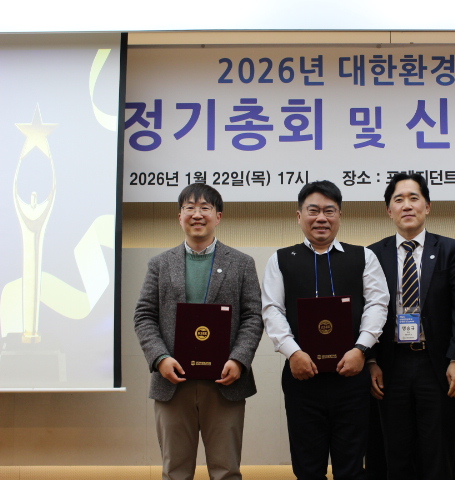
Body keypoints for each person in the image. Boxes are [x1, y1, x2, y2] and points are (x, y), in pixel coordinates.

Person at [262, 180, 389, 480]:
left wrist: (361, 350)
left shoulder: (363, 257)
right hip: (302, 377)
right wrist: (293, 353)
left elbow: (377, 305)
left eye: (329, 211)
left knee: (351, 467)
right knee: (308, 468)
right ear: (299, 216)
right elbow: (272, 310)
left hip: (352, 376)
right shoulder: (281, 260)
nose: (321, 218)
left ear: (340, 216)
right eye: (313, 211)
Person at [134, 184, 263, 480]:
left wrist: (239, 359)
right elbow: (144, 316)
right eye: (189, 208)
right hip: (172, 382)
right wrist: (160, 358)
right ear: (179, 216)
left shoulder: (242, 263)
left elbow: (253, 317)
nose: (197, 214)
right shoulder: (159, 264)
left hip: (225, 382)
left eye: (205, 208)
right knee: (175, 472)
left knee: (226, 471)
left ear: (218, 216)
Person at [367, 173, 455, 480]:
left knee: (437, 448)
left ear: (427, 206)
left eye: (414, 198)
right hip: (391, 365)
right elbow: (366, 311)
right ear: (389, 210)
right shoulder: (373, 254)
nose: (407, 205)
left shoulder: (451, 250)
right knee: (396, 450)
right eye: (398, 200)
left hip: (437, 364)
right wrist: (371, 360)